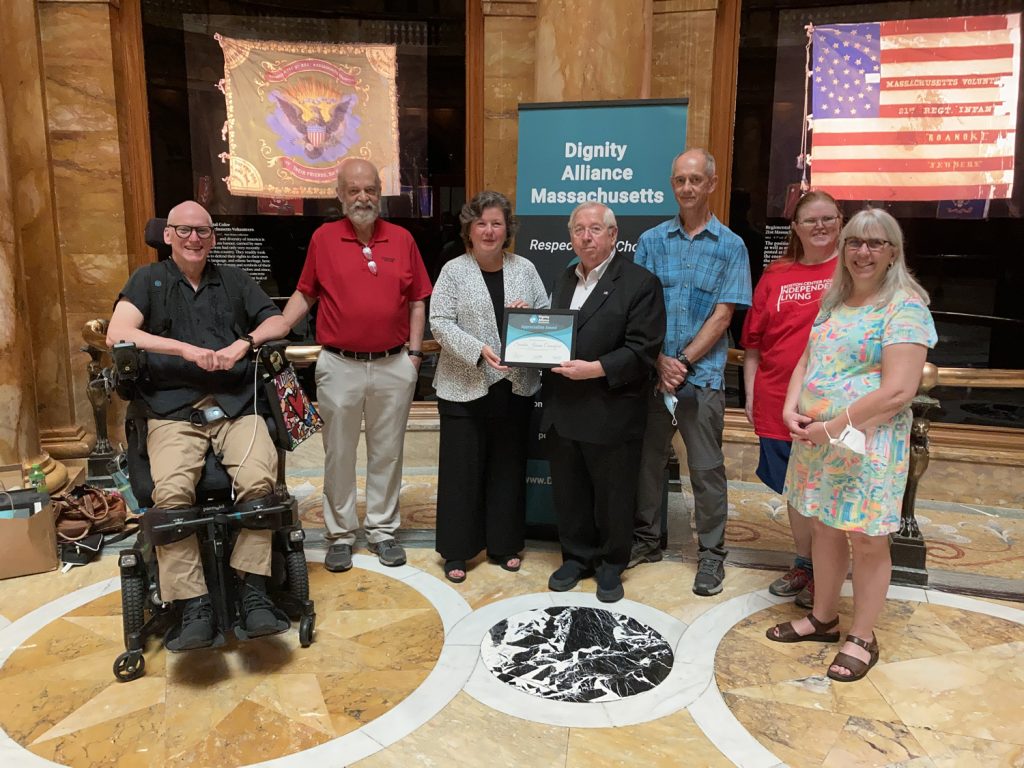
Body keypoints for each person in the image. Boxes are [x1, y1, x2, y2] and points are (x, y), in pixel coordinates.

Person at [106, 200, 290, 650]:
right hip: (171, 410)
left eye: (203, 231)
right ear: (167, 235)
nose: (194, 239)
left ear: (212, 237)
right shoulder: (147, 280)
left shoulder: (233, 280)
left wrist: (243, 344)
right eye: (184, 231)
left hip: (234, 403)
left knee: (260, 481)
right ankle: (193, 604)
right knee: (170, 496)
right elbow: (118, 332)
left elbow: (278, 319)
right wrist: (184, 350)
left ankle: (252, 589)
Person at [765, 208, 936, 683]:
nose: (863, 252)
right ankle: (823, 618)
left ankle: (862, 635)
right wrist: (790, 407)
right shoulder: (833, 299)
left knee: (866, 537)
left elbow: (899, 390)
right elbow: (807, 358)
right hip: (817, 440)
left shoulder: (905, 307)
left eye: (875, 243)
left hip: (867, 444)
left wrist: (832, 426)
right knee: (822, 528)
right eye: (854, 243)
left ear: (893, 252)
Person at [279, 158, 432, 572]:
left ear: (379, 193)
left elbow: (418, 300)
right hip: (339, 365)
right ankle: (341, 535)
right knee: (339, 454)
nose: (362, 197)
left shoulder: (401, 239)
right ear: (340, 195)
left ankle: (383, 531)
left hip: (393, 364)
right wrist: (273, 327)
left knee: (388, 453)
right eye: (354, 190)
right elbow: (305, 294)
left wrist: (415, 356)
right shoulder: (323, 239)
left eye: (370, 190)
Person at [631, 148, 752, 597]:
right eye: (680, 180)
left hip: (701, 379)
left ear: (711, 184)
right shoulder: (651, 241)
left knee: (706, 469)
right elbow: (640, 309)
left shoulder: (732, 246)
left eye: (695, 180)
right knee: (647, 464)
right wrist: (659, 361)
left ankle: (711, 555)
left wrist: (680, 362)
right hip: (655, 375)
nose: (686, 188)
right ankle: (646, 540)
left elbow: (723, 317)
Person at [541, 202, 666, 603]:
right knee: (570, 491)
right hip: (564, 408)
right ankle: (576, 558)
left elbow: (643, 349)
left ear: (613, 235)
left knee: (614, 495)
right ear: (571, 235)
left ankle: (612, 564)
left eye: (595, 229)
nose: (586, 236)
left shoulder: (639, 282)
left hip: (611, 409)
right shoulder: (563, 279)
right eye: (579, 229)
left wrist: (595, 369)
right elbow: (557, 336)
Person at [429, 191, 549, 583]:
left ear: (507, 229)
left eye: (497, 223)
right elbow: (440, 322)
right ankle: (457, 550)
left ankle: (504, 544)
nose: (489, 230)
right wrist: (476, 350)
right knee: (462, 472)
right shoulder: (453, 271)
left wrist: (528, 317)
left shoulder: (526, 270)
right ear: (469, 228)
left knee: (507, 468)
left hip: (513, 387)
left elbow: (547, 320)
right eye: (481, 223)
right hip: (463, 385)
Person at [741, 190, 841, 609]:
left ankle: (827, 568)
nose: (819, 227)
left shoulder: (853, 272)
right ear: (795, 228)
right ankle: (806, 565)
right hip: (776, 399)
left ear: (840, 222)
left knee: (827, 493)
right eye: (810, 220)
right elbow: (754, 346)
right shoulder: (776, 276)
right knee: (795, 493)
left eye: (828, 219)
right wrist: (750, 394)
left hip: (832, 408)